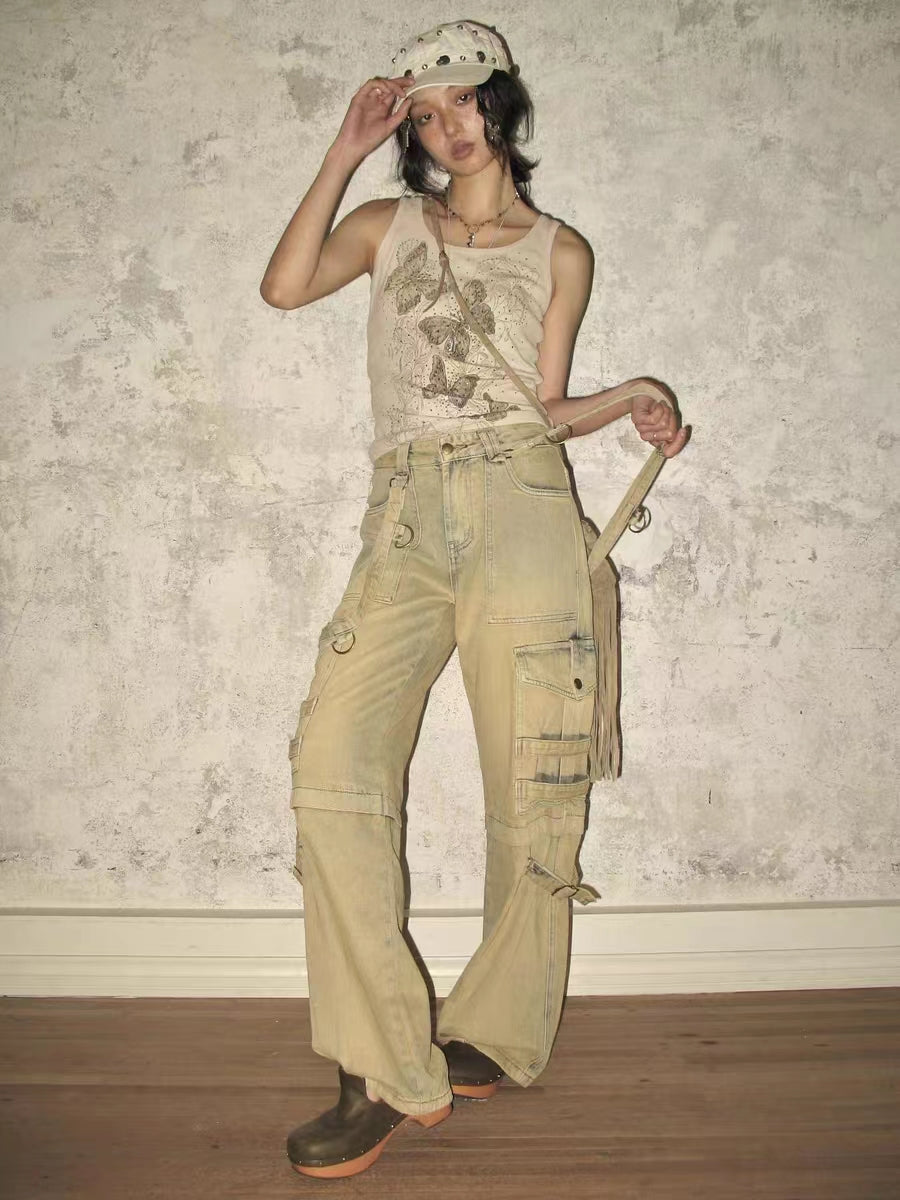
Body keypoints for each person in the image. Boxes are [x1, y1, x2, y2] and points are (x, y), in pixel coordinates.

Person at [260, 19, 688, 1180]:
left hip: (523, 507)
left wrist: (633, 397)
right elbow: (283, 287)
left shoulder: (560, 250)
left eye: (464, 102)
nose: (448, 126)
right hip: (405, 513)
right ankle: (385, 1063)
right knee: (331, 765)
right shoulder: (386, 224)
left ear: (502, 103)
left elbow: (541, 407)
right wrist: (345, 148)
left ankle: (493, 1032)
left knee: (534, 785)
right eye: (426, 113)